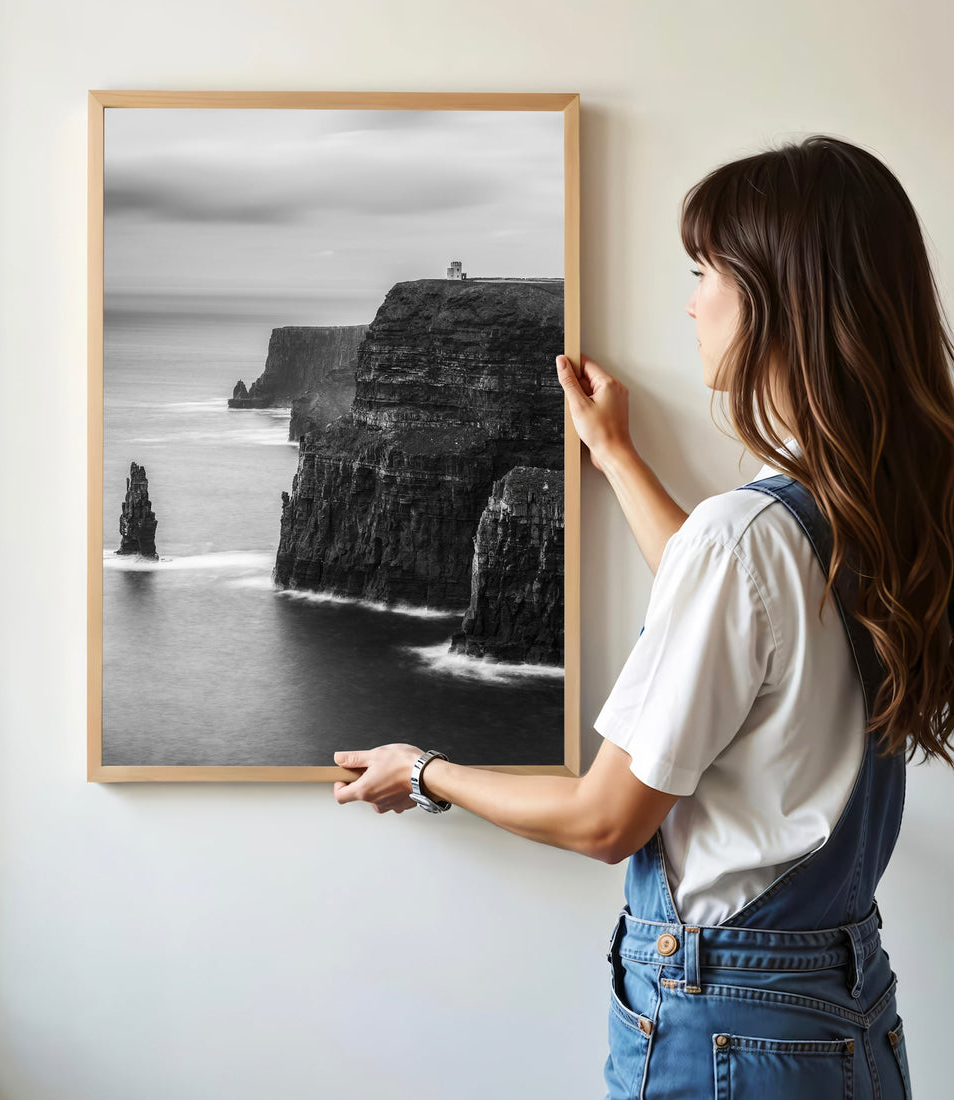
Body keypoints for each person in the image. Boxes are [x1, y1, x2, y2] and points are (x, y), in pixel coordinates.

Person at [332, 134, 954, 1098]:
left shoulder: (747, 535)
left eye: (706, 272)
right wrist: (617, 456)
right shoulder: (873, 506)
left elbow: (604, 819)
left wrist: (423, 771)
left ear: (780, 299)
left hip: (728, 1028)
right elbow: (744, 624)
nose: (691, 300)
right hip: (841, 1012)